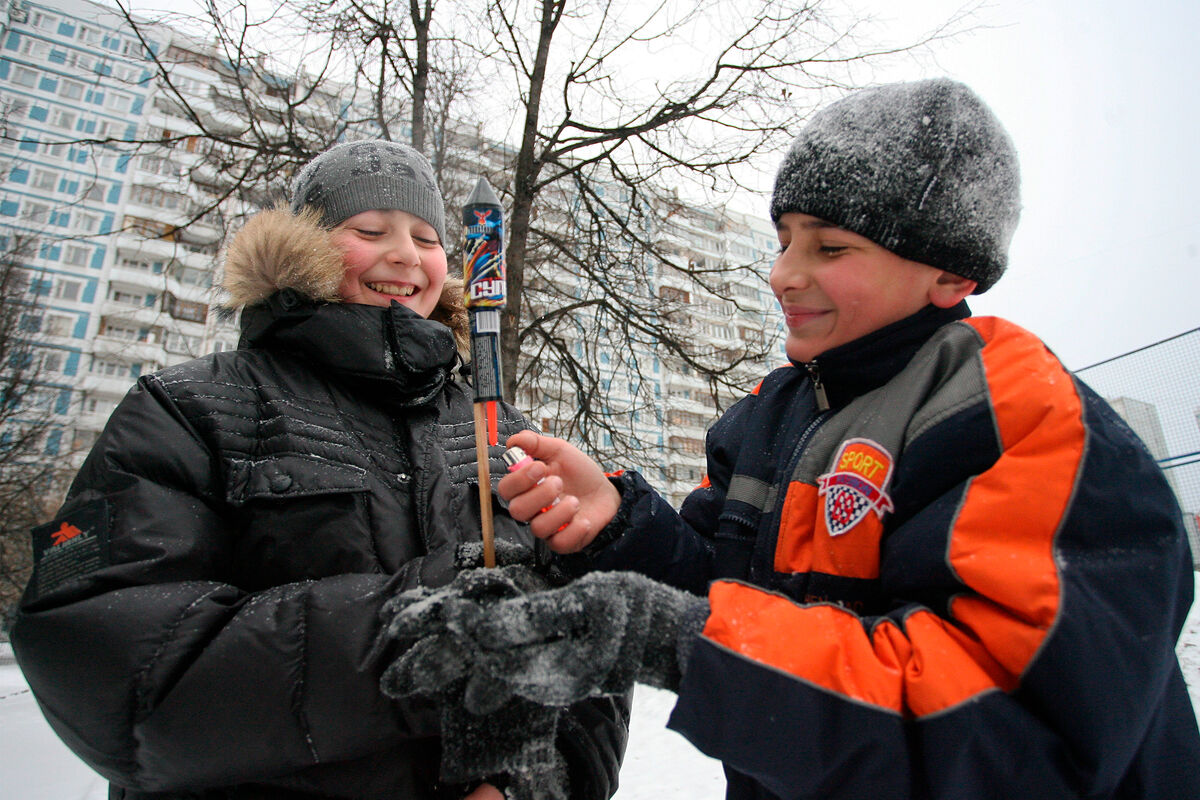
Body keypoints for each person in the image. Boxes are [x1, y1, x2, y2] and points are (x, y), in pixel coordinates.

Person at [380, 80, 1200, 799]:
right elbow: (731, 599)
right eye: (783, 242)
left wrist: (663, 635)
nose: (782, 274)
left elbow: (1011, 724)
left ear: (952, 274)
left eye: (830, 247)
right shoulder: (770, 416)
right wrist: (620, 523)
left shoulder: (1017, 415)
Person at [9, 140, 628, 800]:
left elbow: (588, 640)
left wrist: (527, 782)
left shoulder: (498, 431)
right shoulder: (190, 411)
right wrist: (406, 636)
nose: (405, 254)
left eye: (426, 236)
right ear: (303, 247)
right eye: (370, 230)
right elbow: (109, 661)